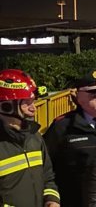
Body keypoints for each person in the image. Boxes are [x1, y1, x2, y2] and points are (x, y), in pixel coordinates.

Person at [44, 70, 96, 207]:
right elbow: (47, 167)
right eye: (93, 96)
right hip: (75, 200)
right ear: (79, 98)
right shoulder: (63, 127)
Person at [0, 69, 60, 207]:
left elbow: (48, 176)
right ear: (6, 105)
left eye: (33, 101)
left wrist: (52, 199)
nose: (34, 108)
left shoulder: (34, 136)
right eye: (27, 102)